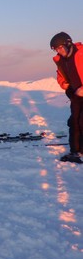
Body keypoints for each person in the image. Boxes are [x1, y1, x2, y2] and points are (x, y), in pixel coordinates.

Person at [51, 31, 83, 162]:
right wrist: (63, 83)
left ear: (68, 43)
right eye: (55, 49)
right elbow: (60, 75)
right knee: (74, 123)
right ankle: (75, 152)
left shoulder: (81, 54)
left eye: (59, 47)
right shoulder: (61, 60)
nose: (58, 51)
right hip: (75, 95)